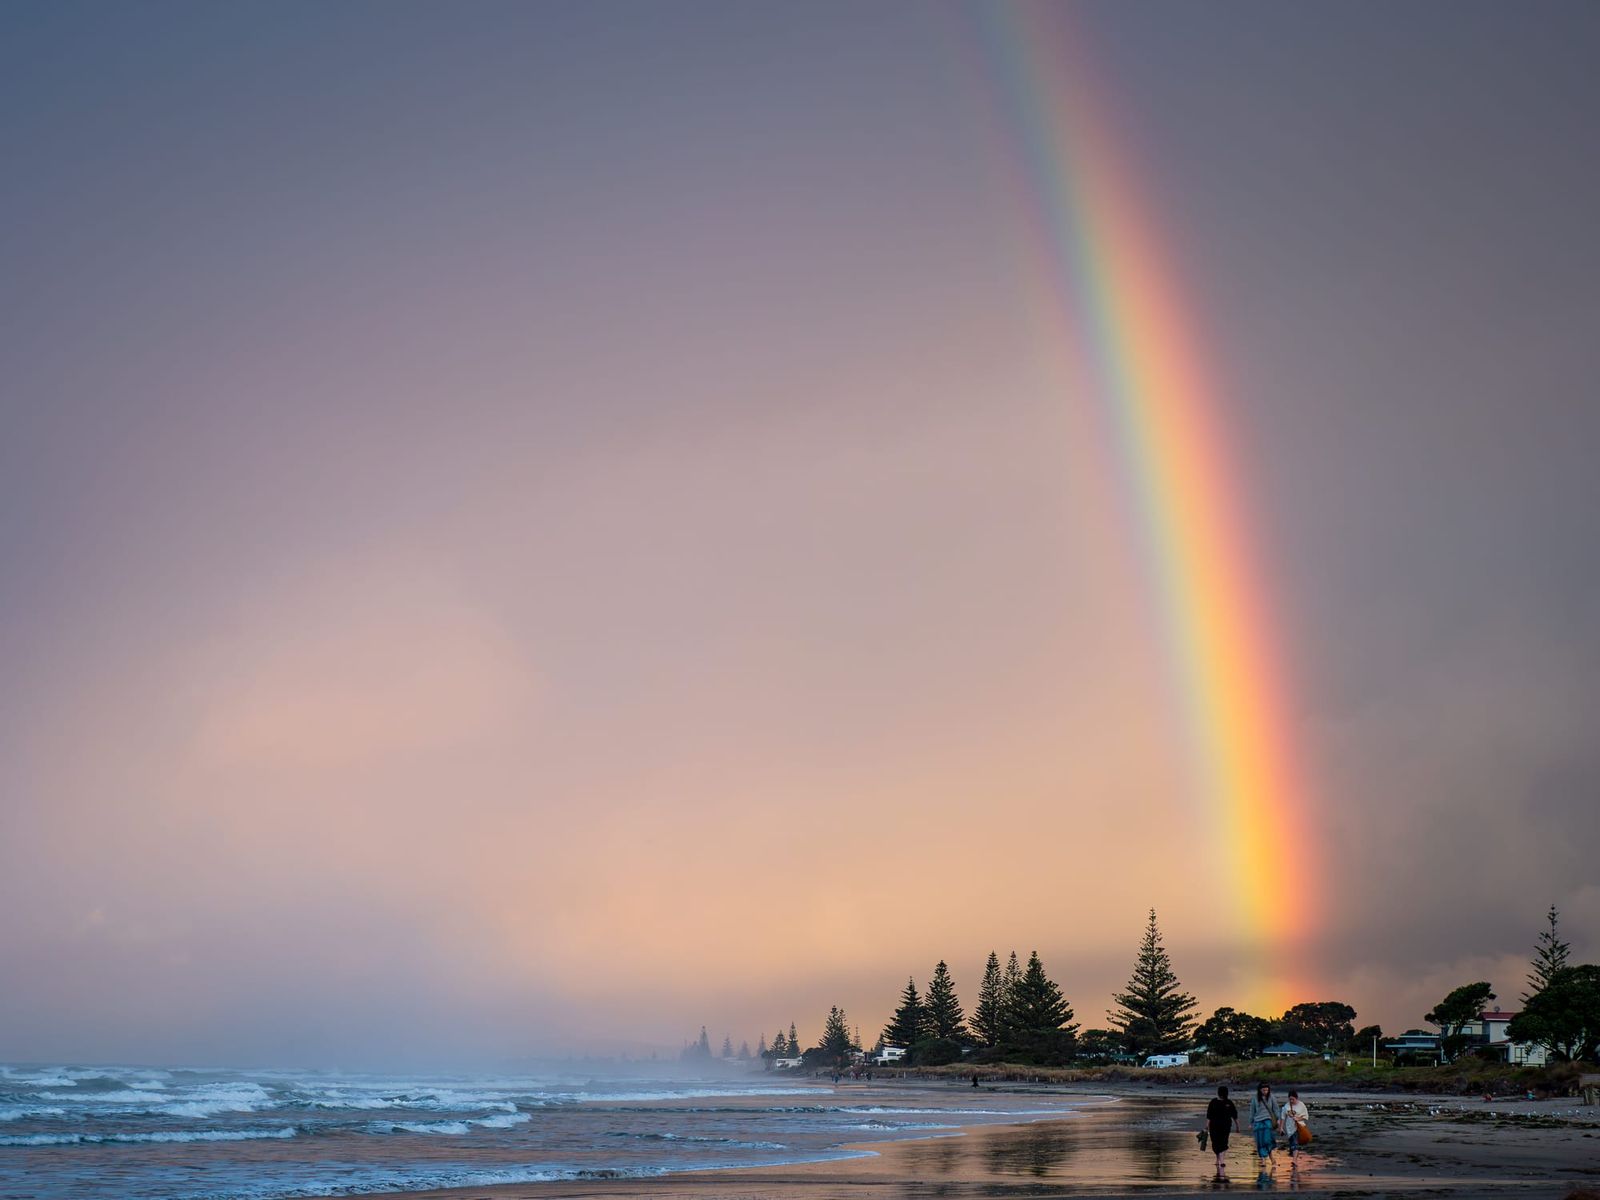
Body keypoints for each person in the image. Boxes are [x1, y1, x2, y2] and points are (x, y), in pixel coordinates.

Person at [1205, 1084, 1241, 1177]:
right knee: (1215, 1143)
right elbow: (1209, 1115)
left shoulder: (1229, 1103)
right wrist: (1207, 1125)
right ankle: (1218, 1158)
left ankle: (1222, 1161)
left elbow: (1234, 1115)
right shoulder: (1213, 1102)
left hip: (1226, 1126)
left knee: (1224, 1142)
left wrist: (1237, 1126)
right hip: (1214, 1126)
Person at [1249, 1081, 1282, 1166]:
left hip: (1268, 1121)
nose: (1265, 1092)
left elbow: (1276, 1109)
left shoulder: (1271, 1097)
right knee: (1260, 1141)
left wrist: (1278, 1119)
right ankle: (1263, 1159)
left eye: (1267, 1090)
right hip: (1258, 1121)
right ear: (1260, 1090)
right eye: (1263, 1090)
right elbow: (1252, 1111)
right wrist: (1250, 1122)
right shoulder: (1255, 1098)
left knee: (1267, 1140)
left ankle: (1271, 1158)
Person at [1280, 1089, 1309, 1162]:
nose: (1291, 1101)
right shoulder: (1286, 1106)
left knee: (1295, 1143)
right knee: (1292, 1143)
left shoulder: (1301, 1105)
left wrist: (1298, 1118)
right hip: (1289, 1128)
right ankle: (1293, 1155)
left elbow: (1305, 1116)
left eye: (1293, 1099)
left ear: (1296, 1098)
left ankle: (1294, 1160)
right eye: (1290, 1099)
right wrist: (1281, 1127)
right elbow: (1283, 1117)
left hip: (1298, 1127)